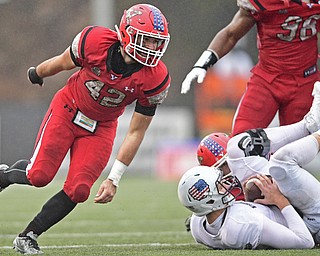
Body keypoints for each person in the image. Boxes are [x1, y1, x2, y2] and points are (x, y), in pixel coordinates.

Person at [0, 3, 170, 254]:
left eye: (157, 42)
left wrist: (114, 178)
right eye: (147, 40)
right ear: (126, 33)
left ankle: (28, 236)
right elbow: (63, 62)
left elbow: (136, 131)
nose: (153, 49)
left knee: (79, 189)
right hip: (68, 110)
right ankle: (3, 176)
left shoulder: (155, 77)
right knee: (39, 176)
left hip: (101, 127)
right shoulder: (95, 41)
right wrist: (38, 73)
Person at [177, 81, 320, 249]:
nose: (226, 183)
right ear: (209, 202)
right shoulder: (240, 224)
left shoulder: (199, 224)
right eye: (220, 185)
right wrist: (280, 201)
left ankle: (307, 125)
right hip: (312, 221)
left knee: (237, 146)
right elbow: (305, 242)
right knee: (281, 162)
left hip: (297, 209)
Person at [181, 0, 320, 136]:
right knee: (240, 141)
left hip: (306, 82)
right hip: (267, 80)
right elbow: (231, 34)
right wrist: (202, 64)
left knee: (294, 150)